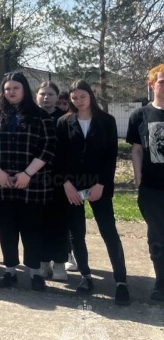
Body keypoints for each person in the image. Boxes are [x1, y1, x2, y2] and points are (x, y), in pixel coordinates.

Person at [0, 72, 56, 291]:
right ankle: (10, 270)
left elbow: (48, 147)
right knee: (7, 228)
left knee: (32, 228)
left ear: (24, 89)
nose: (11, 92)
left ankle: (34, 272)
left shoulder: (40, 116)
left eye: (15, 88)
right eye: (7, 89)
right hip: (0, 182)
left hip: (32, 182)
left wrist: (27, 174)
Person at [56, 80, 129, 305]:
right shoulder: (63, 122)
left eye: (82, 96)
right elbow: (59, 156)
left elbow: (110, 156)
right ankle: (86, 277)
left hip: (98, 185)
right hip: (72, 186)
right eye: (74, 97)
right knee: (77, 233)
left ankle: (121, 282)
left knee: (109, 231)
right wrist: (66, 184)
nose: (78, 101)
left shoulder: (106, 121)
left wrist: (101, 184)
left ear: (90, 96)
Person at [127, 63, 164, 302]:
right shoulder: (139, 115)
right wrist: (138, 177)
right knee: (157, 237)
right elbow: (137, 150)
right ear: (152, 85)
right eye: (162, 81)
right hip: (152, 188)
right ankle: (161, 283)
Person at [36, 81, 69, 280]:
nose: (46, 97)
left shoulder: (64, 120)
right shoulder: (31, 117)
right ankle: (42, 262)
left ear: (57, 97)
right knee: (39, 222)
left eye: (50, 94)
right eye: (42, 93)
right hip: (35, 179)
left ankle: (59, 264)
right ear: (36, 96)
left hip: (59, 179)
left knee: (59, 222)